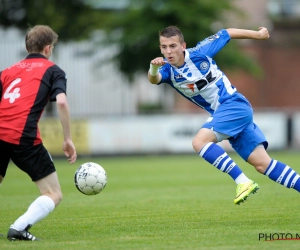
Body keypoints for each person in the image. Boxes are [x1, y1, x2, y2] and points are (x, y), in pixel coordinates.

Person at [148, 25, 300, 205]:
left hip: (234, 105)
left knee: (199, 142)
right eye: (164, 47)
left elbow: (227, 33)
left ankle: (242, 181)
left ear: (183, 46)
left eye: (172, 46)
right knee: (262, 164)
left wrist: (258, 35)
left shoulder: (200, 52)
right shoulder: (167, 70)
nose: (168, 51)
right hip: (228, 114)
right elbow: (154, 79)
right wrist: (153, 67)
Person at [0, 25, 77, 241]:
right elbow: (61, 102)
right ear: (47, 48)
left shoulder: (6, 72)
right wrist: (68, 138)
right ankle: (19, 228)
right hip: (23, 136)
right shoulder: (53, 71)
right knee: (53, 194)